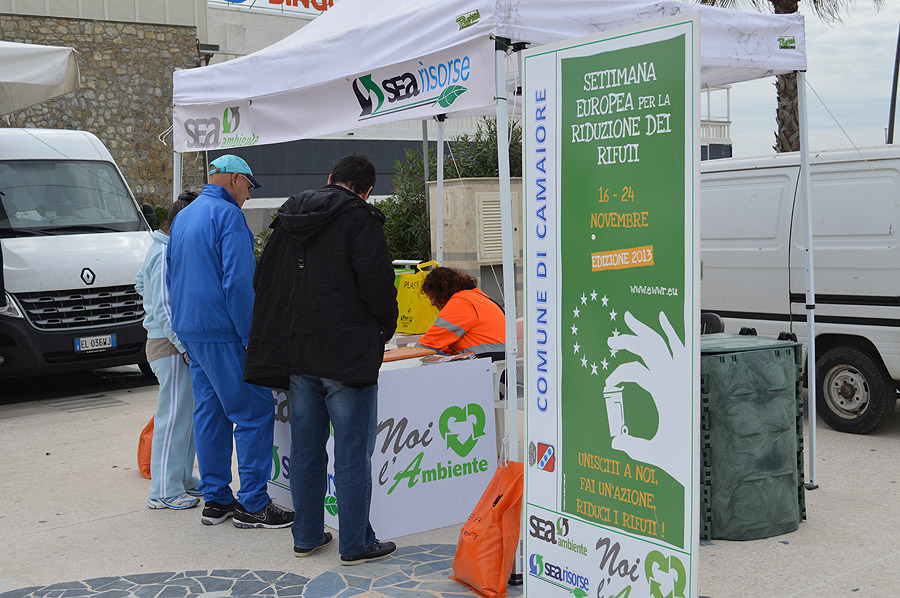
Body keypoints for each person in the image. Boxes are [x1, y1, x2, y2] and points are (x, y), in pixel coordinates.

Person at [245, 155, 399, 564]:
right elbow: (379, 287)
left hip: (298, 354)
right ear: (366, 190)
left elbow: (262, 281)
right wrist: (384, 328)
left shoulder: (289, 216)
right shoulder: (362, 219)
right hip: (347, 356)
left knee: (307, 450)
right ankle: (355, 543)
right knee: (352, 453)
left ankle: (308, 535)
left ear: (330, 179)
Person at [166, 155, 293, 529]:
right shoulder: (228, 216)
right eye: (249, 188)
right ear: (236, 180)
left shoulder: (184, 216)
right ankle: (253, 503)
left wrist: (183, 336)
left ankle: (216, 499)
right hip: (223, 331)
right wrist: (252, 338)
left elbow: (171, 280)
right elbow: (238, 284)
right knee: (253, 413)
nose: (249, 197)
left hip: (192, 331)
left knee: (210, 414)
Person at [136, 191, 201, 510]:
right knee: (173, 418)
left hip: (169, 343)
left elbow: (141, 286)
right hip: (170, 346)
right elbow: (163, 306)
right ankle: (164, 490)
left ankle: (182, 480)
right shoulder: (163, 255)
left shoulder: (161, 250)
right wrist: (183, 345)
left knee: (183, 417)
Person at [416, 267, 506, 361]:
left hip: (484, 361)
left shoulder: (460, 303)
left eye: (432, 297)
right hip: (498, 360)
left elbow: (425, 345)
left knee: (423, 354)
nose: (432, 303)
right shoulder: (476, 295)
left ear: (440, 293)